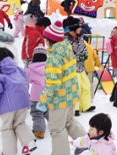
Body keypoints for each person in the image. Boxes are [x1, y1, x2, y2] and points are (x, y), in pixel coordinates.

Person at [40, 21, 86, 155]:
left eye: (45, 39)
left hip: (59, 99)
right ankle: (88, 144)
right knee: (69, 121)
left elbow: (52, 84)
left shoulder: (54, 57)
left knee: (57, 129)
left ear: (49, 40)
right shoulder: (67, 49)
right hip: (71, 94)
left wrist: (43, 100)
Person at [0, 48, 37, 155]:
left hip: (8, 106)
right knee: (20, 123)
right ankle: (29, 142)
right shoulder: (18, 69)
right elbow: (25, 83)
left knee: (7, 128)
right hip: (23, 102)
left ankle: (9, 152)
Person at [63, 16, 95, 116]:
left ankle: (85, 106)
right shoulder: (66, 40)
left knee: (86, 86)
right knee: (75, 88)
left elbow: (84, 51)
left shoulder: (80, 38)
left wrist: (83, 56)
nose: (81, 29)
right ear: (74, 28)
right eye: (79, 27)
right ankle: (74, 108)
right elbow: (68, 55)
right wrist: (78, 57)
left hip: (81, 67)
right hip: (72, 69)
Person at [26, 45, 48, 139]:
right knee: (48, 111)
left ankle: (39, 131)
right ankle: (57, 125)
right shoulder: (50, 67)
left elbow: (27, 80)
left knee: (37, 113)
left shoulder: (31, 68)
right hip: (48, 94)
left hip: (36, 96)